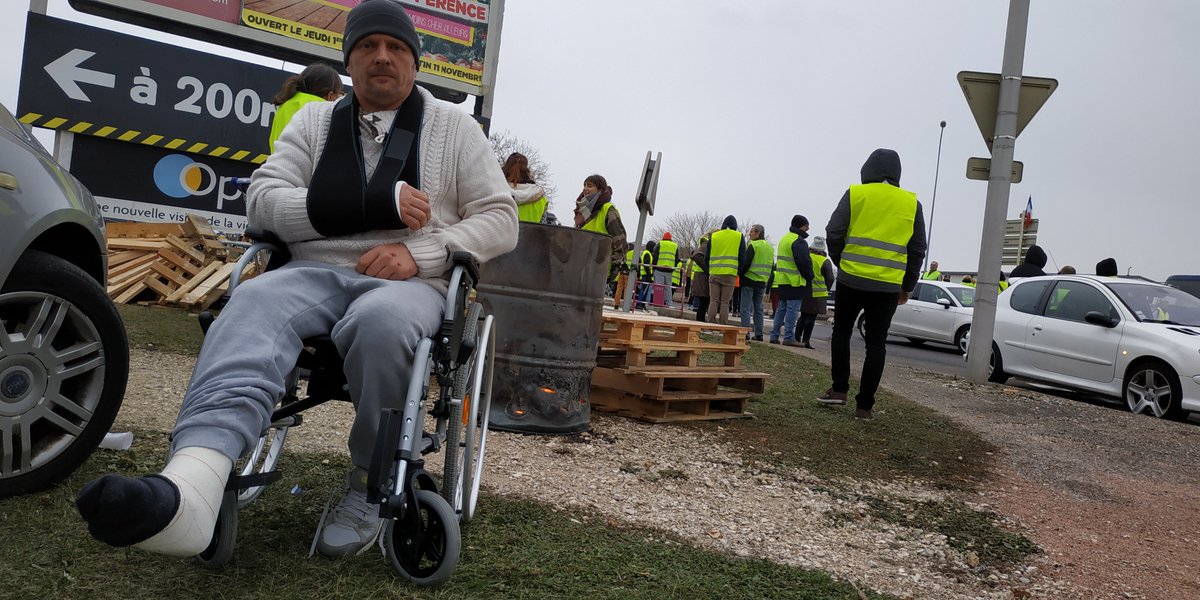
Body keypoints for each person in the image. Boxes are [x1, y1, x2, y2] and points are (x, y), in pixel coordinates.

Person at [76, 1, 519, 560]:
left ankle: (371, 481)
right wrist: (365, 205)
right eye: (366, 47)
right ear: (348, 60)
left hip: (410, 282)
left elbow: (501, 220)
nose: (382, 57)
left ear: (415, 60)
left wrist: (424, 252)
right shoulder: (315, 122)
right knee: (252, 299)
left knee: (383, 323)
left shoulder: (454, 127)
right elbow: (261, 202)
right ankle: (195, 481)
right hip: (313, 271)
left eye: (396, 48)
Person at [818, 148, 926, 421]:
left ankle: (839, 389)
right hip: (888, 285)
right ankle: (864, 406)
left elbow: (834, 231)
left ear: (867, 170)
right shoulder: (912, 204)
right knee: (876, 343)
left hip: (852, 279)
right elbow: (917, 249)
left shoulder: (856, 193)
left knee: (841, 332)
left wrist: (842, 261)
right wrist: (907, 285)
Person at [268, 62, 344, 153]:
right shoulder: (322, 110)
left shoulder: (284, 106)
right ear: (330, 95)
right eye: (338, 94)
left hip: (279, 164)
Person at [769, 214, 813, 346]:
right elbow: (804, 262)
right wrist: (809, 275)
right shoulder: (798, 241)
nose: (808, 229)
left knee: (781, 309)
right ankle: (788, 337)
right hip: (795, 281)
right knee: (792, 310)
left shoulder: (784, 239)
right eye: (806, 226)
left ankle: (774, 335)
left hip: (783, 280)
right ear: (801, 226)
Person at [575, 174, 627, 285]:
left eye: (589, 186)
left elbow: (620, 244)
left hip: (598, 272)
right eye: (584, 185)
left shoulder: (608, 210)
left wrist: (612, 273)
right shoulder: (582, 212)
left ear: (600, 189)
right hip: (579, 271)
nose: (585, 188)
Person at [706, 215, 746, 325]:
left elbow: (707, 256)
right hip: (730, 274)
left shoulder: (714, 236)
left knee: (713, 300)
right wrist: (738, 271)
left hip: (714, 272)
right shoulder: (739, 236)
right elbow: (742, 257)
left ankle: (710, 324)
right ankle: (722, 326)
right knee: (725, 302)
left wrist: (709, 269)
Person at [798, 236, 835, 348]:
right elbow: (830, 278)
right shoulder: (825, 261)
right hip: (818, 295)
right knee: (811, 319)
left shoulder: (807, 257)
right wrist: (826, 288)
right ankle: (806, 340)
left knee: (803, 316)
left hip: (805, 292)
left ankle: (796, 337)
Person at [739, 224, 773, 341]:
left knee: (745, 308)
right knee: (758, 309)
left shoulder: (753, 245)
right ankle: (759, 334)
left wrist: (740, 274)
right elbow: (771, 266)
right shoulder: (770, 248)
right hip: (762, 282)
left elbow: (746, 263)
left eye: (752, 232)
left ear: (758, 233)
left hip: (749, 280)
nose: (749, 234)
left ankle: (745, 332)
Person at [503, 152, 548, 223]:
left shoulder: (496, 192)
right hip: (531, 234)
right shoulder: (540, 197)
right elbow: (543, 228)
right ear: (526, 170)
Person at [652, 232, 679, 307]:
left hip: (659, 269)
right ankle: (669, 303)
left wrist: (654, 267)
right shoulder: (675, 246)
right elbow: (677, 259)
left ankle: (658, 303)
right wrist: (673, 267)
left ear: (663, 238)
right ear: (671, 239)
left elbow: (655, 257)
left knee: (659, 287)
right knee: (668, 288)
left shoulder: (659, 244)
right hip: (669, 270)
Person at [690, 233, 711, 321]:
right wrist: (708, 269)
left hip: (701, 274)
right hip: (702, 275)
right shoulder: (706, 244)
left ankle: (700, 322)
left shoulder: (704, 243)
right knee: (703, 301)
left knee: (704, 302)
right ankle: (700, 322)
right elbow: (695, 255)